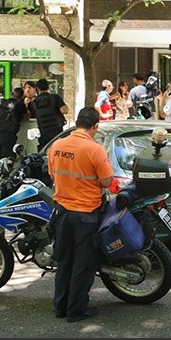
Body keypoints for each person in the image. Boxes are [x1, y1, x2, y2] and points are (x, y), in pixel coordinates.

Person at [47, 106, 113, 322]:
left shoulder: (57, 146)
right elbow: (107, 181)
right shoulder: (94, 150)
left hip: (62, 212)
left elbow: (52, 174)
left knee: (64, 261)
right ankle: (76, 310)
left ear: (76, 123)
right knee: (83, 264)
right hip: (86, 214)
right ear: (95, 126)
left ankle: (61, 307)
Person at [29, 78, 68, 150]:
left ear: (37, 89)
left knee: (44, 154)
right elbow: (64, 110)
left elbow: (31, 115)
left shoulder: (33, 102)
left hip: (43, 133)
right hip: (57, 132)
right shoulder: (55, 97)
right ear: (48, 87)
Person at [0, 87, 28, 158]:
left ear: (12, 94)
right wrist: (26, 105)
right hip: (8, 134)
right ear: (22, 96)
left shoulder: (2, 102)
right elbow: (26, 117)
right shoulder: (20, 104)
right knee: (8, 159)